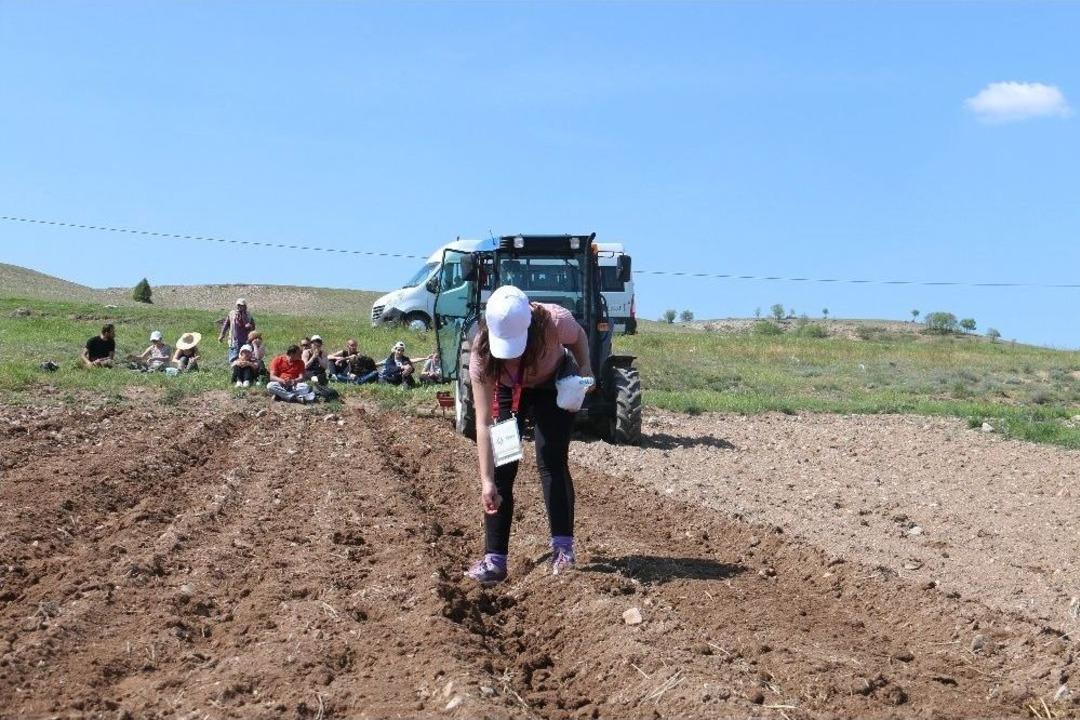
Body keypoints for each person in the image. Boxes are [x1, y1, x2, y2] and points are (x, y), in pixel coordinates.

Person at [464, 286, 593, 583]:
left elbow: (580, 338)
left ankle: (563, 550)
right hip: (512, 391)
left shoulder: (554, 320)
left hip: (553, 386)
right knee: (503, 468)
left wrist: (586, 367)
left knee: (551, 459)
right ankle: (495, 560)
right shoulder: (483, 354)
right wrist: (486, 481)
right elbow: (482, 423)